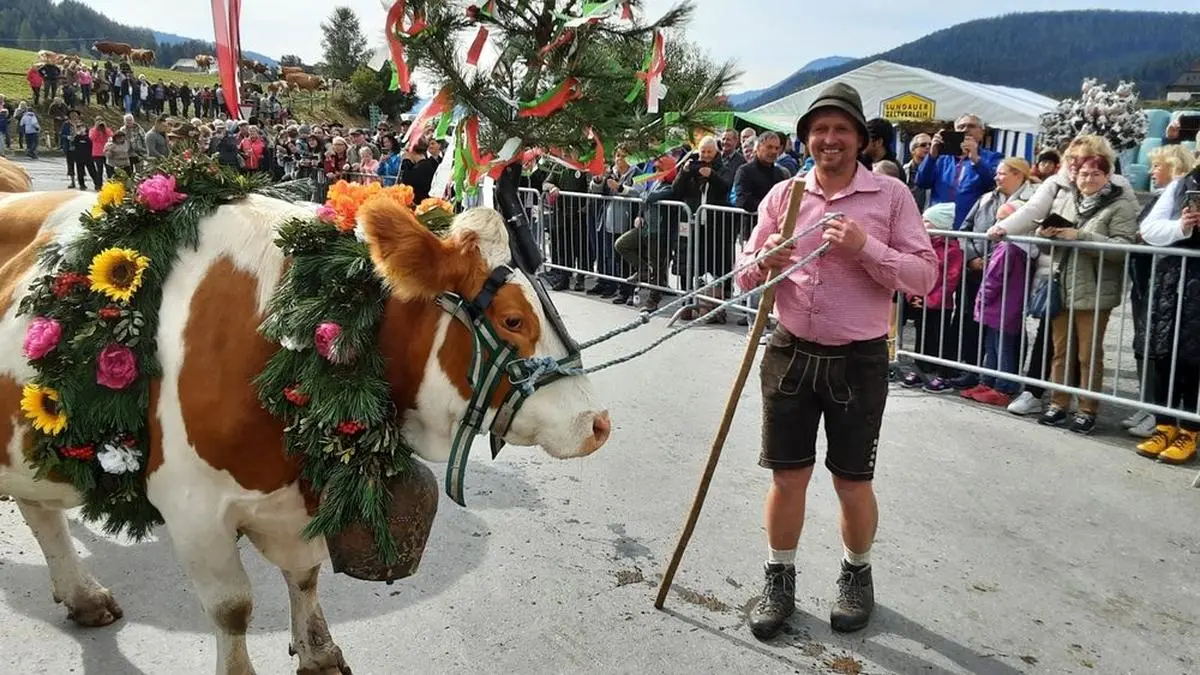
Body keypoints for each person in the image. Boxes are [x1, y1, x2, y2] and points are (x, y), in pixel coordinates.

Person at [735, 82, 938, 639]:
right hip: (790, 352)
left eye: (841, 129)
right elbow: (745, 273)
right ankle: (779, 579)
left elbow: (925, 276)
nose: (830, 139)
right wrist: (763, 259)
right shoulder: (784, 196)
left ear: (860, 138)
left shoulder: (891, 197)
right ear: (806, 138)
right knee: (787, 477)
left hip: (858, 361)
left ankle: (856, 574)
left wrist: (865, 247)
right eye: (819, 129)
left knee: (852, 482)